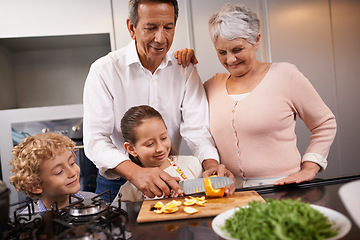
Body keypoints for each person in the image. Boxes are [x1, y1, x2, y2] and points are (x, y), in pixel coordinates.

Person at [83, 0, 235, 202]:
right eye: (151, 28)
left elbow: (197, 129)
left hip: (170, 175)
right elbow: (95, 140)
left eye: (168, 27)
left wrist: (211, 166)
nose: (160, 38)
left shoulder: (184, 69)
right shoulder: (104, 70)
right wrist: (135, 173)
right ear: (132, 28)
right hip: (118, 179)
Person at [175, 3, 337, 187]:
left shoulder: (286, 75)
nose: (230, 59)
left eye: (237, 50)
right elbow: (193, 124)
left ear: (257, 40)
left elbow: (325, 123)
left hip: (283, 188)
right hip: (230, 192)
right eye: (222, 52)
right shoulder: (211, 86)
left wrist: (310, 167)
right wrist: (181, 62)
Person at [114, 105, 204, 202]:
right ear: (131, 149)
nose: (160, 148)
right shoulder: (130, 189)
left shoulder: (193, 164)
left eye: (164, 138)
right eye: (150, 144)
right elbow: (122, 216)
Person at [9, 133, 97, 213]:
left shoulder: (93, 200)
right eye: (59, 172)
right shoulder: (29, 220)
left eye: (72, 163)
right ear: (35, 186)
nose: (72, 173)